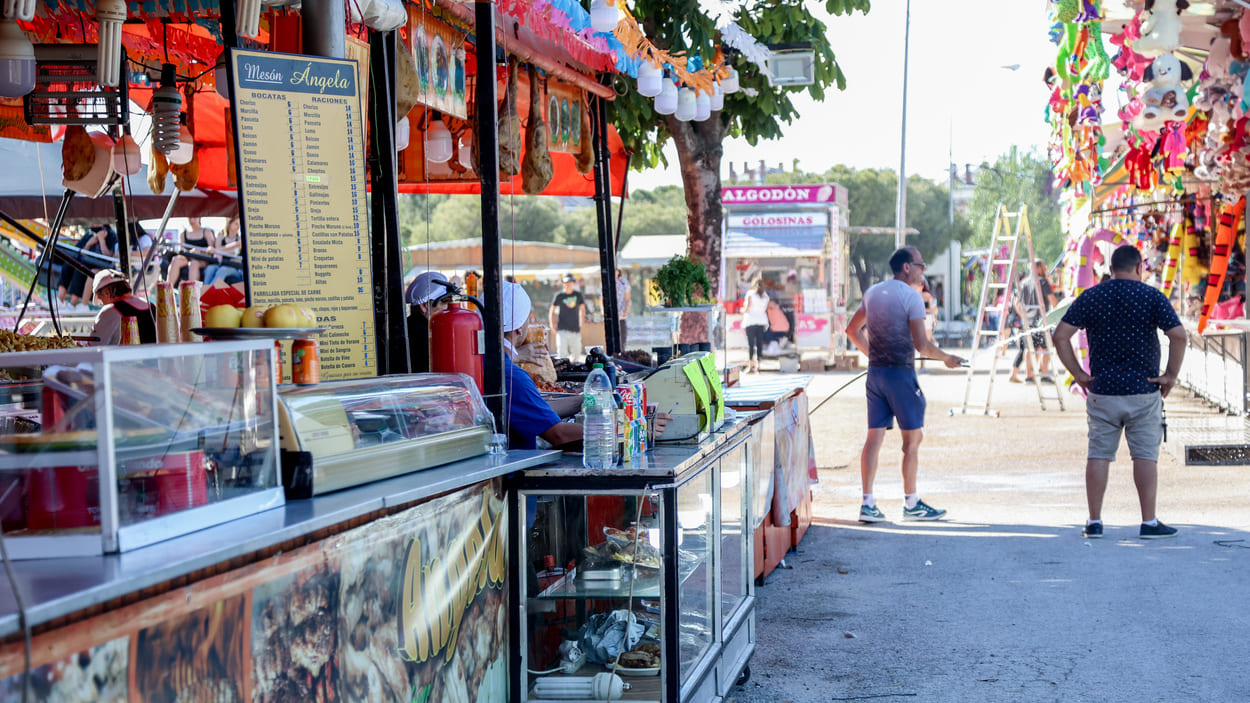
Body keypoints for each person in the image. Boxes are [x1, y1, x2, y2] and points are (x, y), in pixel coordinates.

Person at [1052, 244, 1186, 540]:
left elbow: (1060, 336)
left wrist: (1079, 374)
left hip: (1102, 391)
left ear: (1111, 269)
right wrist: (1170, 376)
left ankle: (1094, 521)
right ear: (1139, 267)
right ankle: (1148, 522)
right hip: (1144, 390)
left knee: (1098, 454)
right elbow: (1178, 335)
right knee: (1145, 456)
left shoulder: (1092, 296)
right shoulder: (1152, 296)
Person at [846, 247, 964, 523]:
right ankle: (911, 503)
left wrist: (872, 354)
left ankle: (867, 503)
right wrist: (947, 358)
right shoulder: (911, 297)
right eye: (921, 265)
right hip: (900, 375)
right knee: (912, 439)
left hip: (875, 375)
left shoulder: (873, 292)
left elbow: (852, 330)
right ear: (908, 267)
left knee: (873, 438)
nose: (924, 271)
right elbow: (921, 344)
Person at [504, 282, 584, 449]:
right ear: (520, 328)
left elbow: (535, 409)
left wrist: (581, 401)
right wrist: (620, 429)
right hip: (514, 472)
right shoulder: (512, 376)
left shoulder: (482, 362)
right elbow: (559, 435)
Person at [405, 271, 454, 373]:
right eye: (445, 302)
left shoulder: (414, 326)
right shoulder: (423, 336)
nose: (449, 308)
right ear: (424, 306)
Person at [90, 269, 156, 345]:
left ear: (107, 293)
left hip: (127, 356)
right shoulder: (151, 306)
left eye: (100, 298)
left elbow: (94, 347)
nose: (102, 303)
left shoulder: (110, 311)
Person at [165, 217, 215, 284]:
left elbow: (212, 248)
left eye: (194, 217)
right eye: (190, 217)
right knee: (175, 260)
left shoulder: (207, 232)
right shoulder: (183, 234)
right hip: (188, 258)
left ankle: (192, 291)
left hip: (203, 259)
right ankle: (168, 288)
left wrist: (201, 251)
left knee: (194, 263)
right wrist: (190, 252)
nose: (192, 219)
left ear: (199, 218)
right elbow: (181, 249)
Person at [549, 273, 586, 361]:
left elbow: (583, 310)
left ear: (573, 283)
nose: (568, 284)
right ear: (563, 283)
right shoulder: (559, 295)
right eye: (566, 282)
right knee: (562, 354)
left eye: (570, 282)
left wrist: (582, 323)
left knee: (577, 354)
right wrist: (552, 325)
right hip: (562, 329)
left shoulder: (578, 295)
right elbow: (552, 311)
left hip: (575, 329)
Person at [203, 216, 243, 286]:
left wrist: (216, 250)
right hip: (220, 265)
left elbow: (234, 252)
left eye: (239, 225)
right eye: (236, 224)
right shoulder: (221, 236)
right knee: (210, 268)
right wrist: (218, 250)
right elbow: (218, 251)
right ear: (229, 224)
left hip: (235, 269)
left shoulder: (239, 240)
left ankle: (209, 293)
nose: (238, 227)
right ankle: (204, 291)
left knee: (223, 270)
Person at [740, 277, 770, 373]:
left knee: (751, 344)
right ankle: (759, 366)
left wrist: (742, 311)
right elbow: (765, 309)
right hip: (761, 321)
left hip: (750, 321)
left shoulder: (750, 294)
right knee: (759, 344)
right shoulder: (765, 296)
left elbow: (747, 308)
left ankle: (751, 366)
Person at [615, 268, 631, 350]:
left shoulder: (624, 283)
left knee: (622, 338)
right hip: (611, 316)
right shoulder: (605, 282)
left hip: (621, 315)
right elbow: (601, 298)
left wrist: (626, 311)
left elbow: (628, 299)